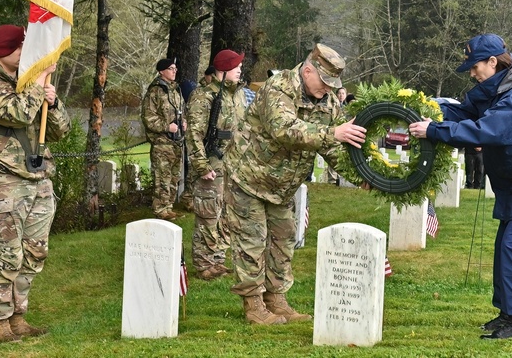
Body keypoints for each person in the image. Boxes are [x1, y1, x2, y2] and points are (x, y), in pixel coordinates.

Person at [409, 34, 512, 340]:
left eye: (475, 66)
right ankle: (506, 314)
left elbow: (490, 130)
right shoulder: (493, 90)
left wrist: (434, 130)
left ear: (493, 61)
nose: (472, 72)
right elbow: (463, 112)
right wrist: (429, 112)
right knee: (505, 249)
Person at [224, 44, 366, 325]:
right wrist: (332, 132)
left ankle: (276, 299)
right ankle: (253, 305)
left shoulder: (328, 102)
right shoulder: (279, 87)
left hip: (283, 186)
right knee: (251, 242)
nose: (327, 89)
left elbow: (334, 148)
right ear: (308, 69)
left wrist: (361, 177)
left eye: (332, 85)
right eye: (324, 82)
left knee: (284, 240)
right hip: (249, 177)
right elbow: (283, 128)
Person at [0, 24, 71, 343]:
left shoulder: (29, 83)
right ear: (5, 53)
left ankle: (19, 315)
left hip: (38, 178)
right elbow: (20, 112)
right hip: (4, 181)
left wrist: (52, 104)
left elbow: (60, 131)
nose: (28, 53)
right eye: (22, 48)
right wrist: (39, 84)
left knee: (34, 252)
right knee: (8, 253)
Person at [186, 49, 246, 280]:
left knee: (226, 215)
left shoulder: (237, 94)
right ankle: (204, 264)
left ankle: (218, 258)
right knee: (208, 215)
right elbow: (194, 134)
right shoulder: (204, 96)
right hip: (212, 165)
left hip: (232, 166)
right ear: (223, 69)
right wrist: (202, 166)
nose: (240, 69)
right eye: (236, 66)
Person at [142, 58, 186, 220]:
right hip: (162, 142)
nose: (174, 71)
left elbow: (180, 111)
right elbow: (148, 117)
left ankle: (168, 207)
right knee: (162, 177)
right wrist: (166, 127)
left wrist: (183, 122)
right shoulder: (155, 91)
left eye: (175, 68)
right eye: (170, 68)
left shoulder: (175, 90)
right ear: (161, 71)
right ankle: (160, 209)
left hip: (176, 141)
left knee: (174, 176)